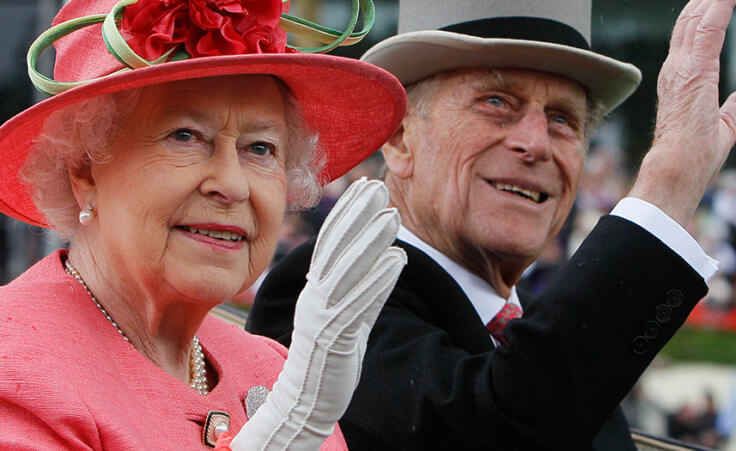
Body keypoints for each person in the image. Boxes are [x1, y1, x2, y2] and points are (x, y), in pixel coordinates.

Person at [247, 0, 736, 448]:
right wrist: (667, 187)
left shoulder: (544, 338)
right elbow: (495, 431)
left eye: (563, 119)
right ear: (398, 138)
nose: (537, 143)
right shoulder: (322, 293)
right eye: (497, 102)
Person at [0, 0, 409, 448]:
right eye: (185, 136)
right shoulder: (15, 366)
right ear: (83, 169)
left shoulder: (278, 371)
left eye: (260, 148)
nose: (232, 185)